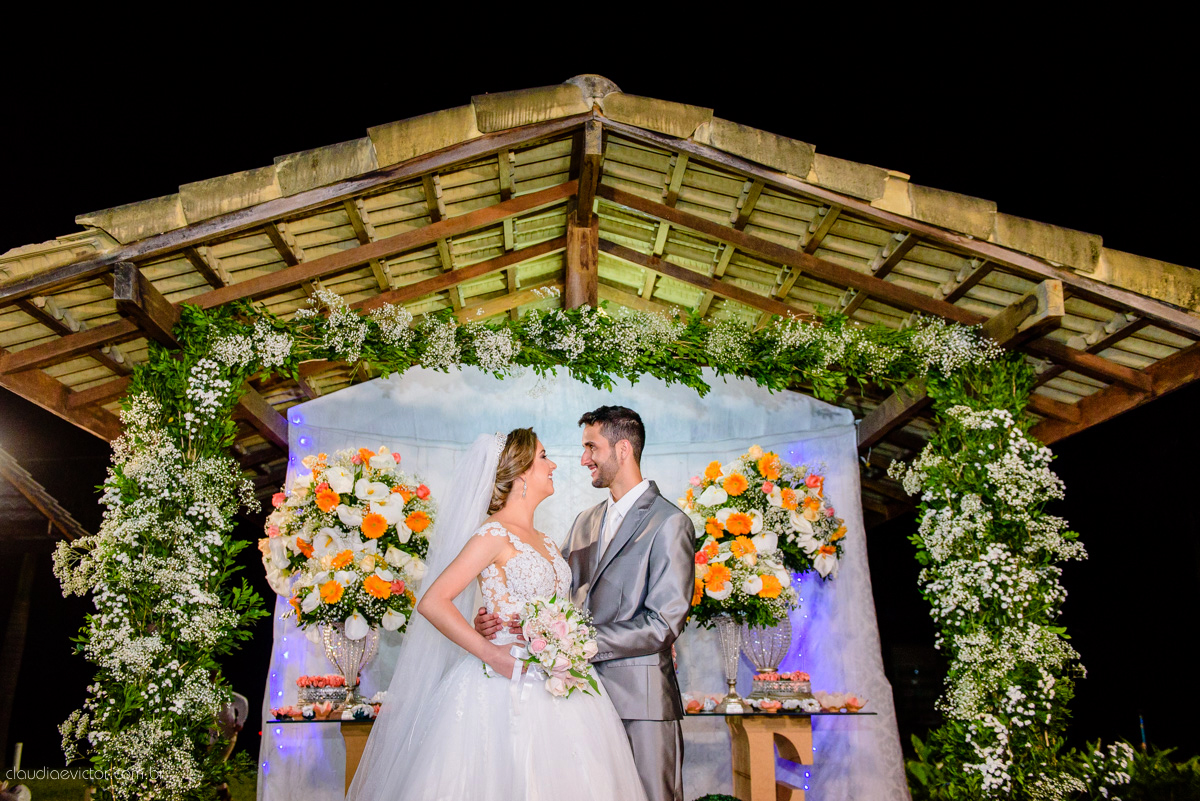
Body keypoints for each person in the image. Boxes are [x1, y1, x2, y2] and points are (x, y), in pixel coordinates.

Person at [347, 429, 649, 801]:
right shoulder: (493, 535)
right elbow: (434, 601)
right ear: (521, 470)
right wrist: (491, 652)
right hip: (502, 685)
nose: (552, 464)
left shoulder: (548, 541)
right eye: (543, 456)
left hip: (561, 683)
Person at [475, 406, 695, 801]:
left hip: (641, 704)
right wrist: (499, 617)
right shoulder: (584, 521)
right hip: (577, 701)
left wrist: (575, 644)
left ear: (623, 450)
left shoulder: (669, 522)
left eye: (591, 447)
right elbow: (548, 596)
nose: (583, 459)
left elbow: (664, 622)